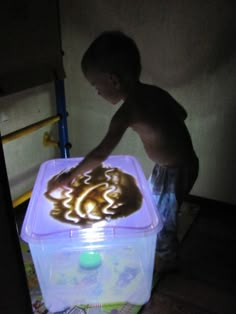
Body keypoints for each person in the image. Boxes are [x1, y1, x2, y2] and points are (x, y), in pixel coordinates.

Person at [54, 30, 199, 273]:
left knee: (162, 219)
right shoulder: (155, 92)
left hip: (175, 171)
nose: (97, 92)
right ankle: (160, 236)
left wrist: (71, 176)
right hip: (179, 163)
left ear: (113, 80)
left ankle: (167, 260)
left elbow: (101, 153)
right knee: (153, 204)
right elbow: (182, 113)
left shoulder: (128, 112)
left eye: (95, 86)